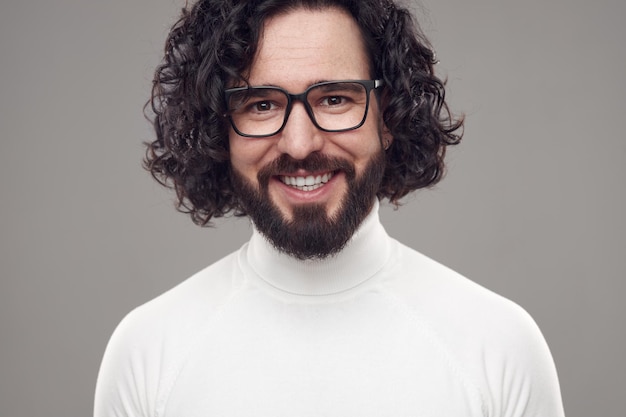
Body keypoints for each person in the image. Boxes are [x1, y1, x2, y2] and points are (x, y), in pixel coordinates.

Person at [94, 0, 566, 416]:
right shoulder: (148, 352)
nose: (300, 144)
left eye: (335, 99)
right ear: (221, 131)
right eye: (261, 105)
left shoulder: (499, 347)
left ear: (389, 116)